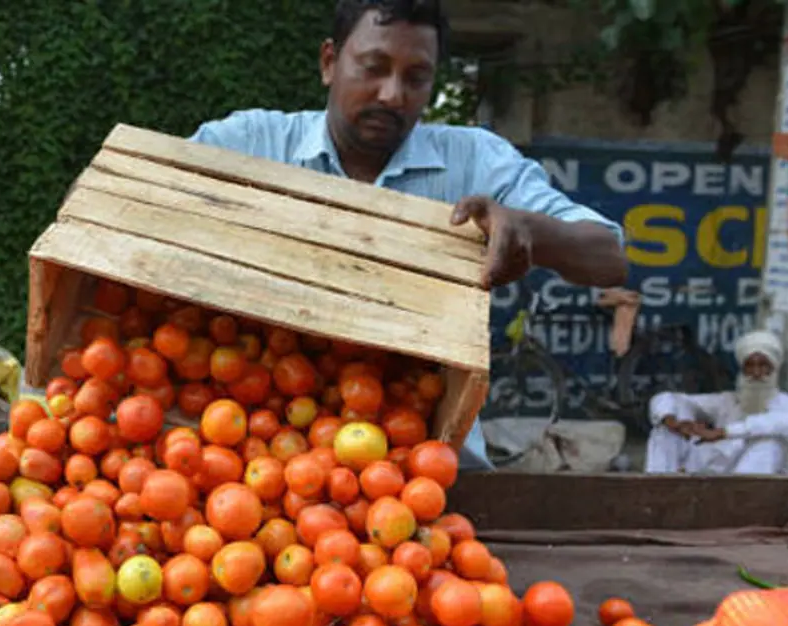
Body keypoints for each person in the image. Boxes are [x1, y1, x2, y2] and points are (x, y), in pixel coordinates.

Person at [187, 0, 628, 472]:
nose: (392, 94)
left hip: (432, 467)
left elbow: (607, 256)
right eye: (373, 68)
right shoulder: (249, 145)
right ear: (329, 62)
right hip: (257, 457)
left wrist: (528, 228)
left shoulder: (474, 162)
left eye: (416, 77)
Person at [645, 330, 788, 475]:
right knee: (664, 431)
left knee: (767, 442)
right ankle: (658, 487)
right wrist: (672, 420)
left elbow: (771, 425)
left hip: (761, 487)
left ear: (774, 368)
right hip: (711, 481)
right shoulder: (728, 401)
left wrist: (723, 433)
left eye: (763, 365)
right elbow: (668, 398)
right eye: (750, 365)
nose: (756, 373)